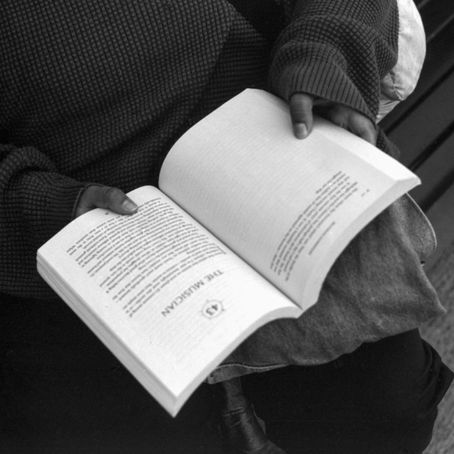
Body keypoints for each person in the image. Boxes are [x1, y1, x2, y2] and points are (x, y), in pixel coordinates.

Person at [0, 1, 452, 453]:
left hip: (268, 140)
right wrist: (50, 209)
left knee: (388, 417)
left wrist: (323, 56)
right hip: (79, 225)